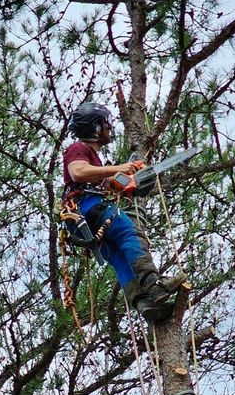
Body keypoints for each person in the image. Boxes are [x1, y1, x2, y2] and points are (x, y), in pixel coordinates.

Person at [62, 102, 183, 323]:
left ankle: (143, 302)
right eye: (105, 125)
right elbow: (78, 172)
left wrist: (130, 183)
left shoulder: (94, 159)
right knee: (129, 232)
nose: (109, 129)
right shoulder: (79, 149)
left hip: (82, 217)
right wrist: (118, 168)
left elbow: (107, 183)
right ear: (96, 127)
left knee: (118, 256)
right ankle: (154, 284)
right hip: (87, 206)